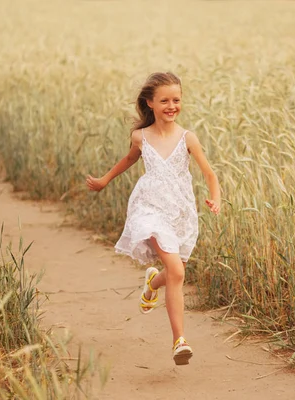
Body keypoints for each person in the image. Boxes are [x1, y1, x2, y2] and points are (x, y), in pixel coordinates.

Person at [86, 72, 221, 365]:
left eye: (176, 100)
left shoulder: (188, 138)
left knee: (174, 272)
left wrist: (216, 197)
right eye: (164, 100)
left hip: (181, 212)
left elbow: (210, 173)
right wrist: (104, 180)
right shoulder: (141, 136)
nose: (171, 106)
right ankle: (179, 341)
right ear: (150, 103)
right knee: (177, 271)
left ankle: (151, 284)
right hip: (149, 208)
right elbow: (129, 160)